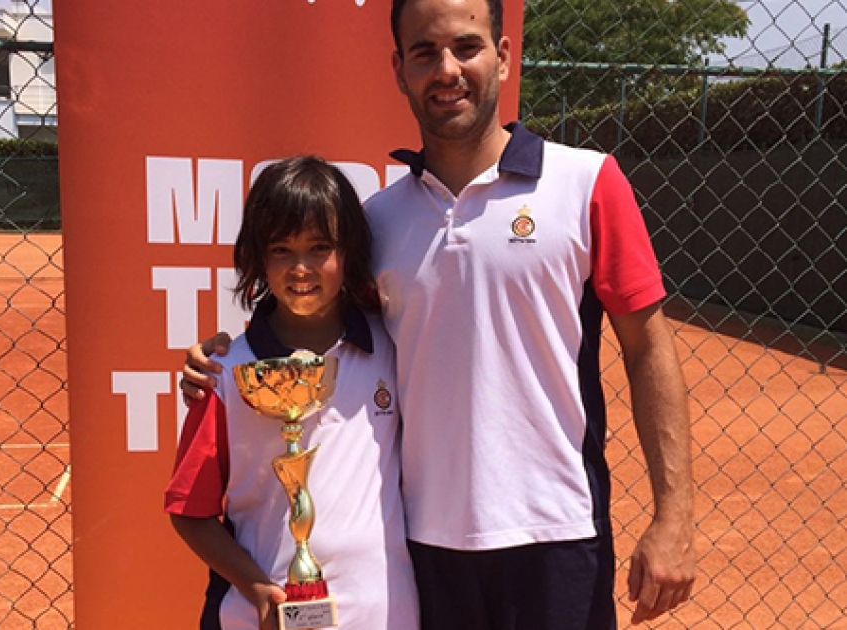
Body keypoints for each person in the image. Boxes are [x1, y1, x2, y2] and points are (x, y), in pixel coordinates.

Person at [181, 1, 696, 628]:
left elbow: (648, 347)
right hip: (423, 548)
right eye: (425, 52)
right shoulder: (376, 222)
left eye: (466, 46)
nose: (447, 68)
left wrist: (673, 515)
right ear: (400, 69)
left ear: (503, 58)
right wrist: (220, 358)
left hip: (557, 533)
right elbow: (300, 319)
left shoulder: (587, 183)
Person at [165, 155, 419, 630]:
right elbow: (189, 509)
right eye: (281, 249)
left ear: (351, 253)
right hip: (262, 616)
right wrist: (257, 589)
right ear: (257, 258)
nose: (301, 268)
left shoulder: (394, 347)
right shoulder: (224, 373)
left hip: (384, 613)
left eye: (320, 247)